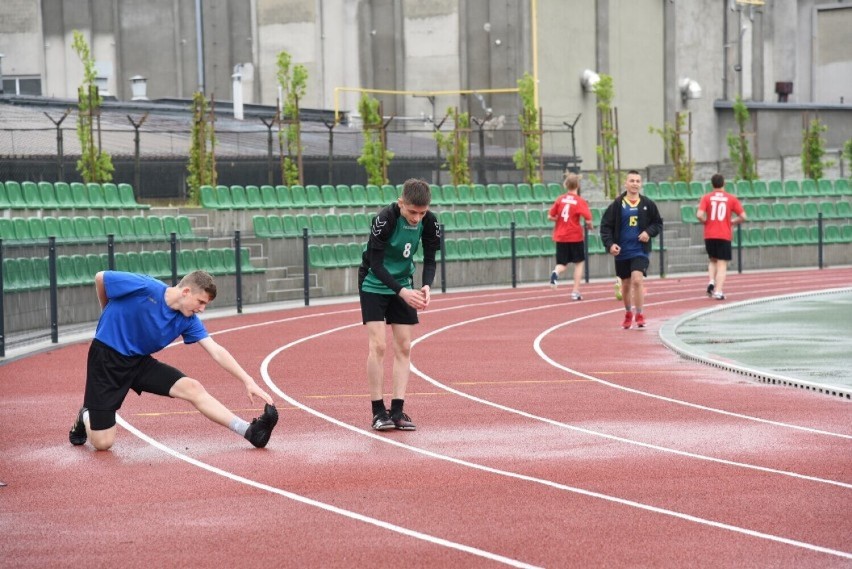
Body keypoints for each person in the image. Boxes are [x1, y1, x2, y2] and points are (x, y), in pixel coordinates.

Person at [69, 270, 278, 451]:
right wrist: (106, 311)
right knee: (103, 443)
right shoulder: (146, 287)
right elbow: (101, 278)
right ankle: (85, 414)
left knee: (193, 388)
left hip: (138, 361)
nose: (202, 309)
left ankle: (248, 431)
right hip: (107, 359)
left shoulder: (187, 320)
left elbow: (216, 350)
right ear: (186, 291)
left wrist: (247, 380)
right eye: (201, 302)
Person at [358, 178, 441, 431]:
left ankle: (397, 411)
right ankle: (377, 411)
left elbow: (430, 258)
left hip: (404, 283)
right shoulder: (385, 220)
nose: (417, 218)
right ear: (400, 203)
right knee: (379, 345)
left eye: (422, 212)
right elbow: (375, 263)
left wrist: (426, 285)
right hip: (374, 283)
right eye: (412, 212)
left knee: (404, 346)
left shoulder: (430, 221)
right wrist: (402, 292)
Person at [599, 170, 664, 329]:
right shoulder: (617, 204)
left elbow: (657, 223)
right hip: (622, 252)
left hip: (639, 251)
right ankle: (628, 312)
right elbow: (605, 226)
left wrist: (648, 232)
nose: (635, 184)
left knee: (637, 280)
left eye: (638, 181)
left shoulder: (647, 204)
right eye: (632, 181)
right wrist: (609, 245)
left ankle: (640, 313)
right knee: (626, 285)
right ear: (626, 183)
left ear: (640, 184)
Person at [696, 173, 747, 300]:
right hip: (724, 234)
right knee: (722, 264)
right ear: (724, 183)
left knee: (713, 260)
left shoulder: (706, 198)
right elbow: (743, 216)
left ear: (712, 184)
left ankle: (711, 281)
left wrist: (706, 221)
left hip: (709, 234)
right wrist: (732, 222)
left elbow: (699, 214)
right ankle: (718, 291)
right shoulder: (731, 198)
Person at [547, 172, 593, 300]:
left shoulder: (560, 199)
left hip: (561, 236)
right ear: (577, 185)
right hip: (575, 236)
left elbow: (550, 216)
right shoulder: (579, 201)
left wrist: (559, 220)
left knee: (562, 264)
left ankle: (555, 273)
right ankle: (575, 291)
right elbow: (588, 218)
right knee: (579, 263)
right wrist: (590, 226)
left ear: (566, 185)